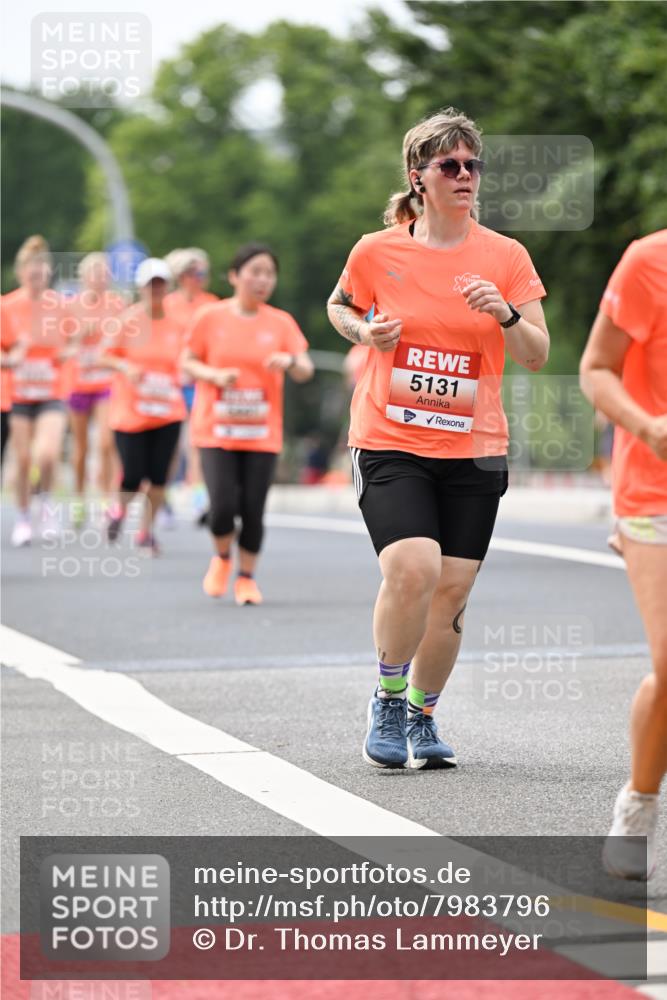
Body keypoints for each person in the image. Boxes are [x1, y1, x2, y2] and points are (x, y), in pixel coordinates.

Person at [327, 108, 549, 770]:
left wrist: (504, 313)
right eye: (447, 165)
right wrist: (364, 333)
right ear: (416, 177)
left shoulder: (505, 256)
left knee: (450, 593)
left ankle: (422, 716)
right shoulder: (377, 249)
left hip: (473, 447)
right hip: (390, 439)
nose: (462, 176)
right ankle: (388, 699)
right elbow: (339, 305)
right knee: (414, 567)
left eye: (470, 165)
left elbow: (536, 353)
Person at [580, 229, 667, 880]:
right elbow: (595, 368)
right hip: (653, 490)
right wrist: (645, 427)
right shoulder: (648, 261)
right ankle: (637, 806)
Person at [183, 242, 314, 605]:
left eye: (269, 273)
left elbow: (306, 368)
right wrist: (213, 374)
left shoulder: (281, 323)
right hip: (216, 430)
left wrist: (288, 361)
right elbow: (188, 361)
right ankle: (223, 558)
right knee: (223, 506)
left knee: (253, 509)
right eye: (255, 272)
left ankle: (246, 578)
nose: (262, 280)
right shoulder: (210, 317)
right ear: (234, 276)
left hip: (261, 433)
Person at [100, 258, 187, 554]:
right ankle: (119, 512)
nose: (156, 290)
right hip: (131, 413)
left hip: (167, 412)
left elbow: (188, 361)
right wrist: (126, 367)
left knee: (159, 477)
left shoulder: (178, 325)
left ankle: (145, 533)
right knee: (134, 475)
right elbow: (105, 355)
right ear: (141, 288)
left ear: (168, 287)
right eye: (151, 285)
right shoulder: (128, 320)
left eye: (161, 284)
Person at [2, 235, 76, 545]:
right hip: (17, 393)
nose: (37, 278)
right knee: (21, 460)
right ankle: (22, 516)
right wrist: (11, 358)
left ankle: (46, 506)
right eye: (32, 273)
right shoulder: (7, 306)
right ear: (21, 274)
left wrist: (66, 352)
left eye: (42, 272)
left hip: (51, 391)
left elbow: (74, 339)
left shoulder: (59, 306)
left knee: (47, 454)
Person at [66, 252, 126, 526]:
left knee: (106, 442)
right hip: (78, 382)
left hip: (106, 382)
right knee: (80, 447)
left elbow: (126, 338)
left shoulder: (117, 304)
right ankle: (78, 499)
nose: (101, 279)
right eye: (95, 274)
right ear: (84, 278)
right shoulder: (71, 306)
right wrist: (82, 332)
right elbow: (62, 345)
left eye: (105, 274)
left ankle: (106, 500)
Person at [163, 248, 219, 523]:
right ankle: (165, 496)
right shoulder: (167, 304)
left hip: (200, 381)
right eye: (198, 273)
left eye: (204, 273)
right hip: (169, 382)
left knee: (197, 439)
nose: (203, 278)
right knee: (171, 444)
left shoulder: (211, 304)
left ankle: (198, 496)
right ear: (183, 276)